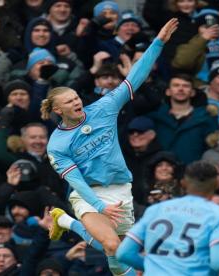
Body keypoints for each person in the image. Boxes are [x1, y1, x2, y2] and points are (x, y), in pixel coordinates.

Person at [43, 19, 179, 276]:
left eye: (76, 97)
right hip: (89, 195)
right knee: (111, 244)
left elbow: (135, 76)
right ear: (58, 110)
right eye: (69, 101)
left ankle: (63, 220)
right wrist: (99, 205)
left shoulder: (104, 108)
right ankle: (71, 219)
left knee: (119, 255)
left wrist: (158, 43)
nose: (76, 102)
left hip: (120, 191)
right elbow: (76, 180)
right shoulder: (57, 144)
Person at [116, 160, 219, 275]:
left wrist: (155, 267)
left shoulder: (156, 210)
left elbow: (124, 253)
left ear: (183, 183)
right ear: (217, 184)